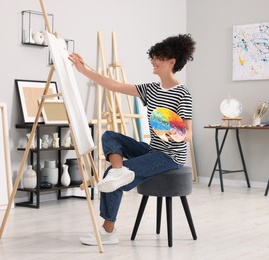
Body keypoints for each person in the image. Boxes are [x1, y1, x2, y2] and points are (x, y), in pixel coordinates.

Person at [69, 33, 196, 245]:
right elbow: (114, 85)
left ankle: (108, 232)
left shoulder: (182, 94)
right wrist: (83, 70)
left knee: (110, 176)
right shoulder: (151, 89)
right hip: (152, 149)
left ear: (172, 62)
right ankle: (120, 171)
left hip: (170, 156)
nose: (153, 61)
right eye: (153, 57)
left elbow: (189, 134)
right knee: (109, 136)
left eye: (158, 58)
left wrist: (174, 132)